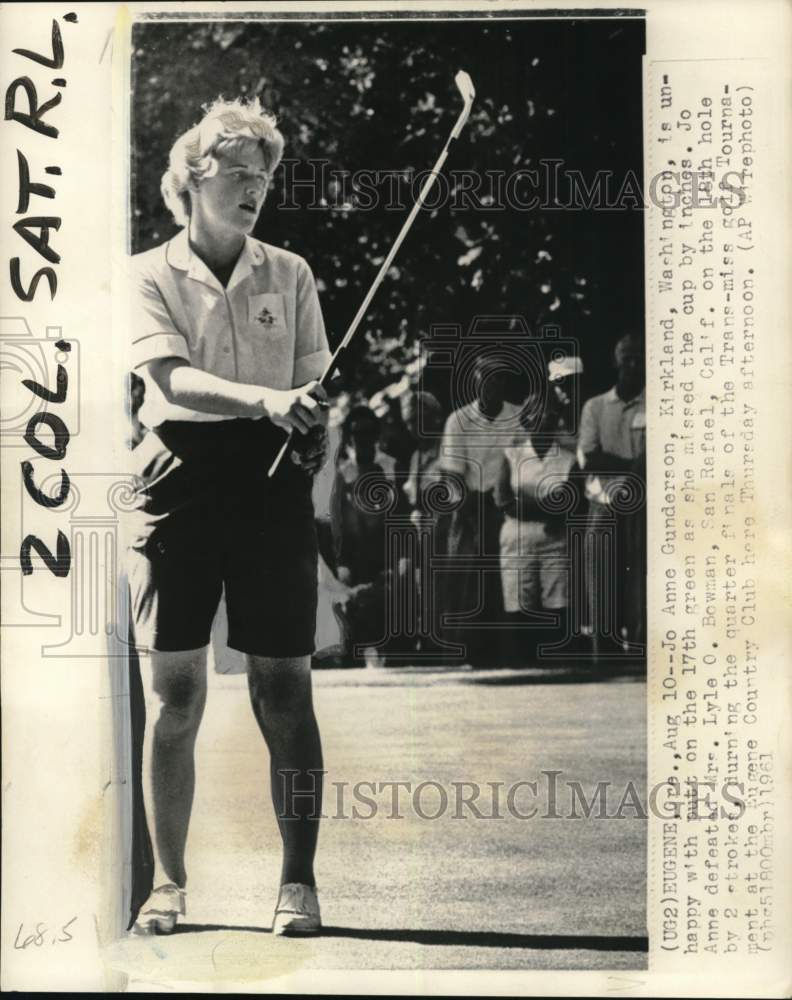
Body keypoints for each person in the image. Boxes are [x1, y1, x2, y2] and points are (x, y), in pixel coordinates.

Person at [126, 97, 331, 936]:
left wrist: (315, 428)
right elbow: (170, 381)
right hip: (177, 479)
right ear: (192, 177)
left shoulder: (292, 273)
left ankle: (298, 884)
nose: (256, 189)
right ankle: (167, 885)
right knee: (174, 696)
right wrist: (268, 401)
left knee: (285, 690)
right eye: (239, 172)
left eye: (265, 177)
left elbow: (314, 380)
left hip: (271, 485)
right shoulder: (147, 273)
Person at [436, 352, 521, 666]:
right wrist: (473, 510)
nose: (492, 385)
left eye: (498, 379)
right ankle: (466, 651)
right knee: (467, 574)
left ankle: (509, 652)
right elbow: (452, 477)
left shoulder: (518, 416)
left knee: (507, 577)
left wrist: (505, 504)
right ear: (475, 382)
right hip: (470, 507)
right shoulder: (458, 420)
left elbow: (525, 464)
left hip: (509, 507)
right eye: (486, 379)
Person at [494, 387, 582, 667]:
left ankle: (556, 664)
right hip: (517, 536)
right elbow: (504, 500)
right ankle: (521, 663)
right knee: (518, 598)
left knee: (558, 597)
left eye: (550, 413)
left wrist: (529, 502)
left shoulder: (568, 460)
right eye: (537, 413)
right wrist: (548, 505)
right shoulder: (511, 455)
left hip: (554, 538)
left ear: (557, 418)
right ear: (526, 419)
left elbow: (571, 501)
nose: (543, 419)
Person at [578, 334, 646, 659]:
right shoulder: (595, 407)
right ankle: (603, 655)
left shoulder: (657, 406)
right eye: (626, 357)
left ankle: (639, 652)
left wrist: (624, 465)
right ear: (615, 361)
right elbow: (590, 459)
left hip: (643, 507)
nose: (631, 363)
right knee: (601, 580)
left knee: (640, 582)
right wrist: (635, 466)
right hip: (603, 504)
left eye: (637, 357)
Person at [329, 405, 392, 662]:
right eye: (356, 433)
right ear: (349, 437)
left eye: (367, 432)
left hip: (385, 556)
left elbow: (398, 518)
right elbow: (338, 526)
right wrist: (342, 564)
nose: (362, 439)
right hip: (353, 559)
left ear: (375, 435)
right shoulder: (342, 475)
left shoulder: (390, 468)